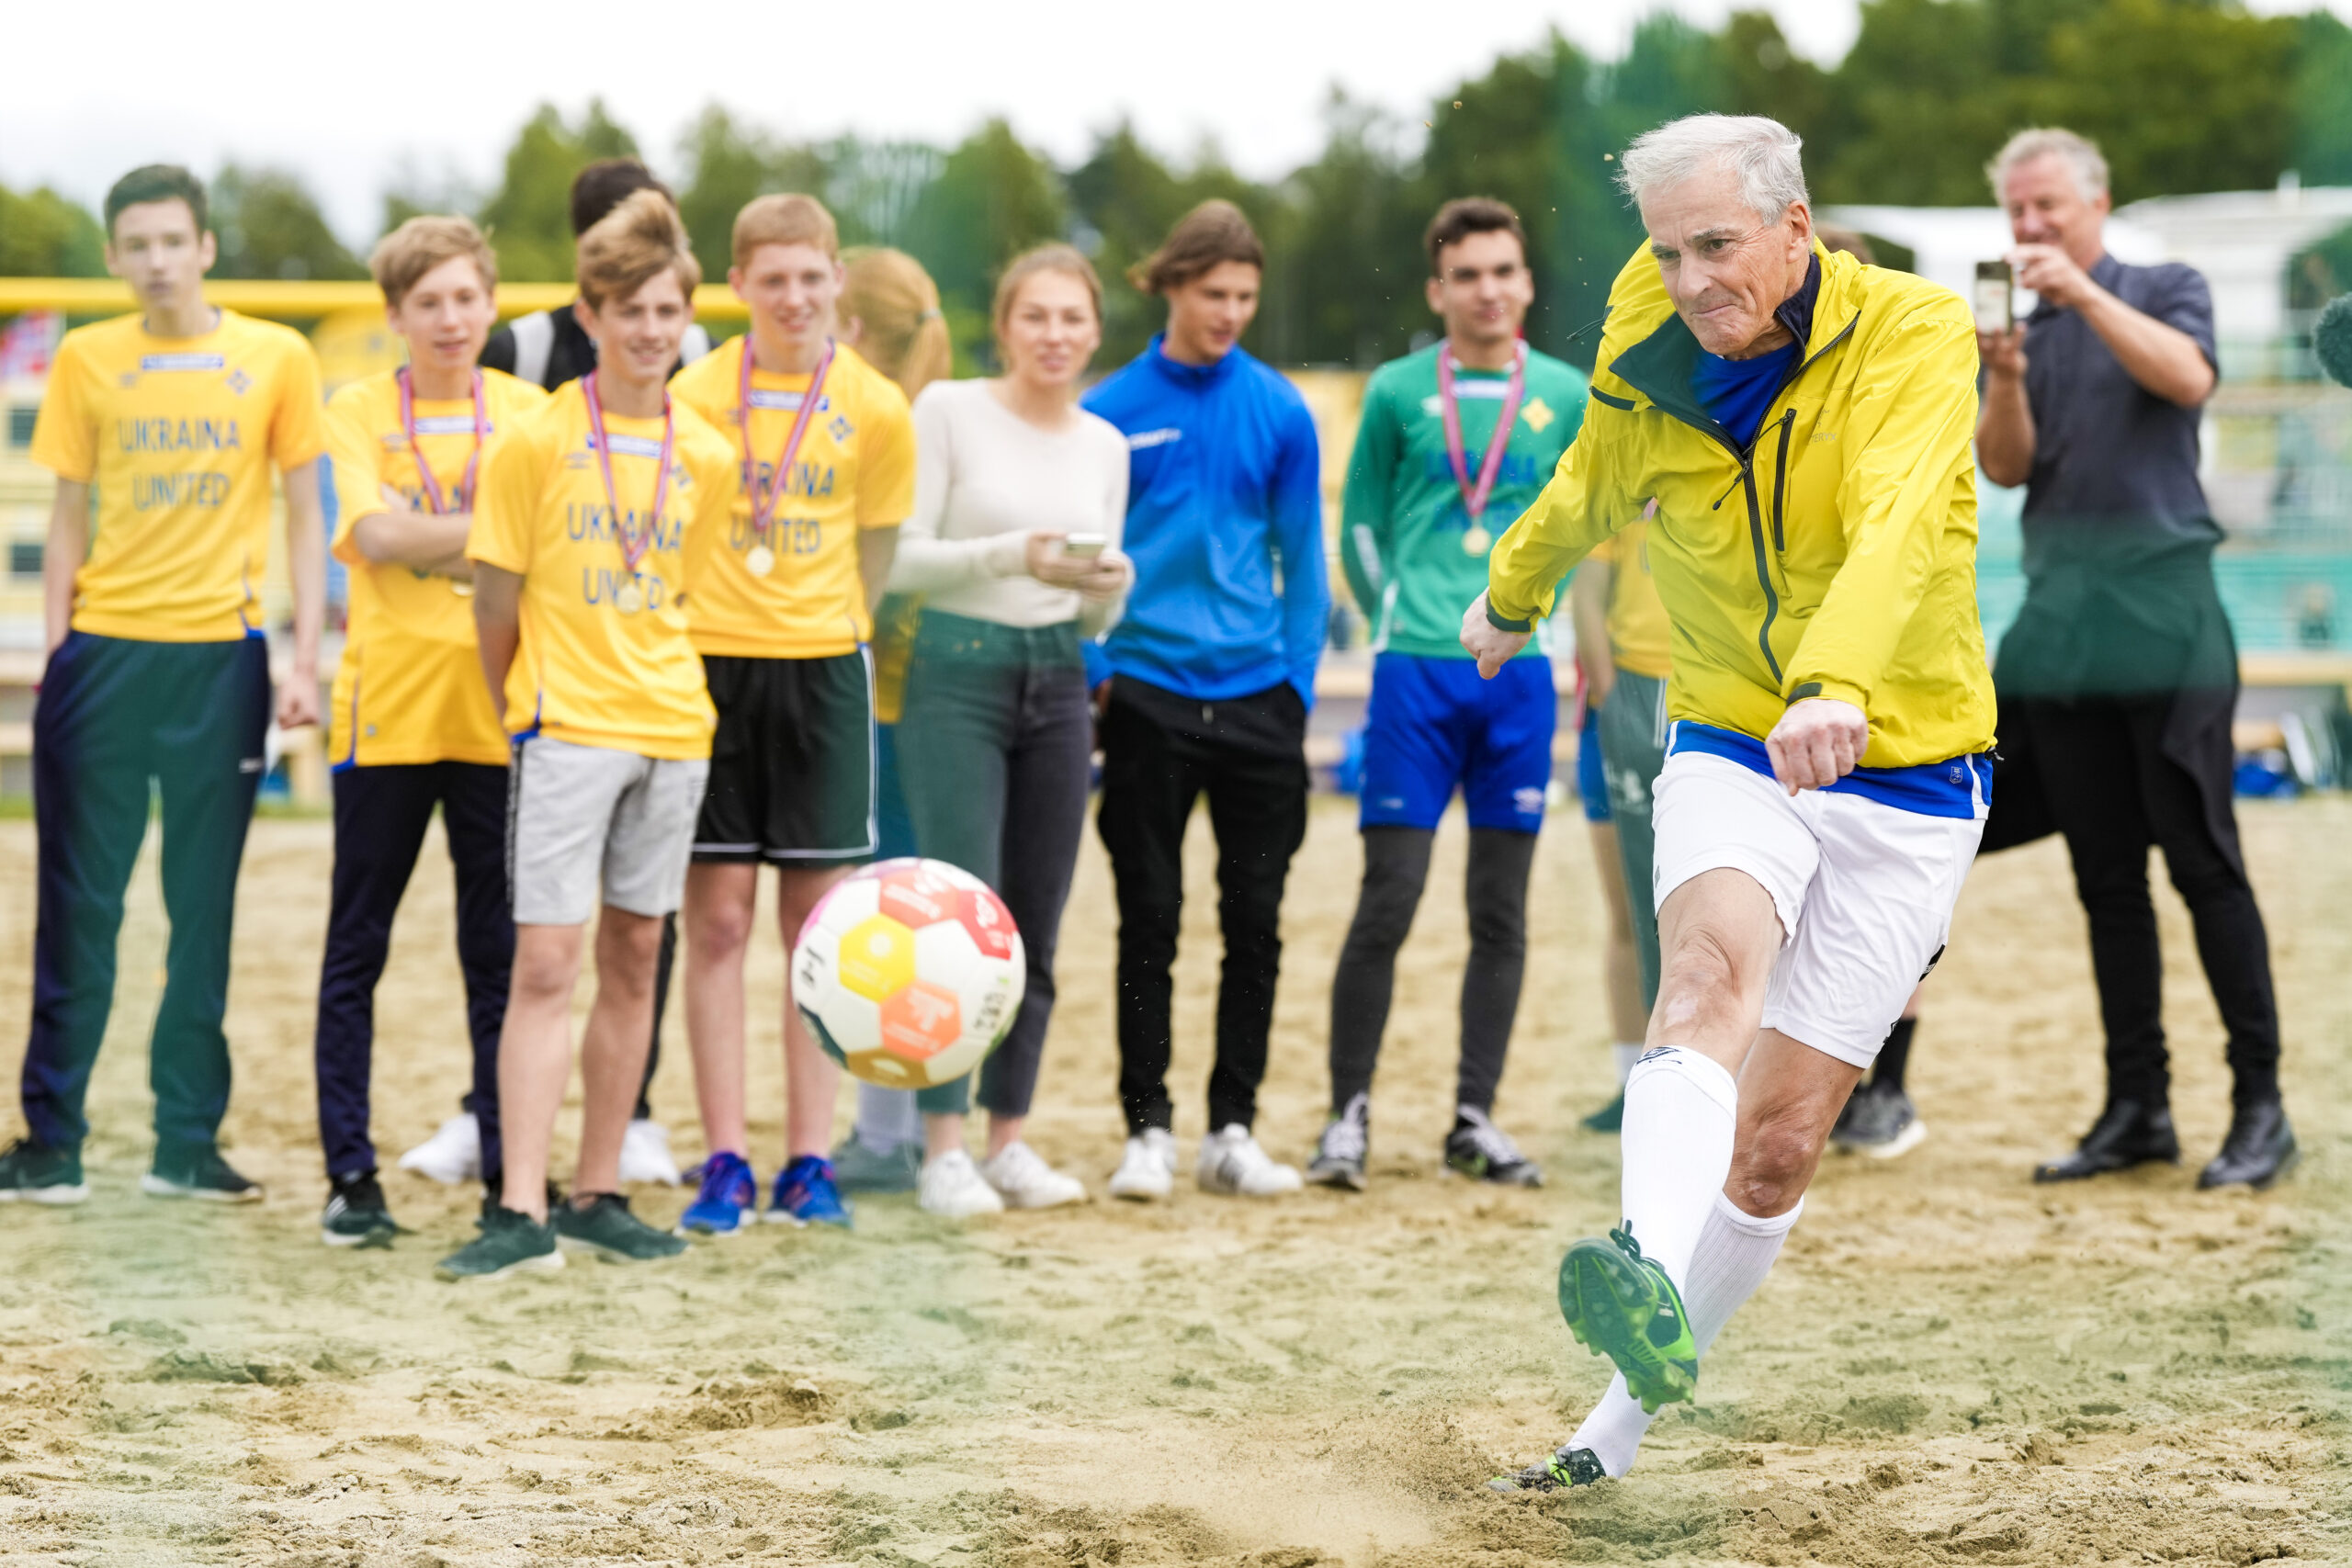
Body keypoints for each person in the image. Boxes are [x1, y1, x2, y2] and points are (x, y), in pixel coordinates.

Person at [1468, 115, 1996, 1489]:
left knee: (1772, 1150)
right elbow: (1595, 470)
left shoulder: (1917, 332)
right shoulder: (1649, 322)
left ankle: (1609, 1430)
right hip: (1734, 729)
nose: (1691, 277)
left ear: (1796, 227)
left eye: (1717, 245)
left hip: (1912, 761)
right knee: (1702, 968)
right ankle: (1638, 1250)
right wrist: (1513, 594)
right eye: (1667, 248)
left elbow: (1897, 522)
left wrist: (1836, 680)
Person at [1973, 128, 2294, 1190]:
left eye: (2046, 209)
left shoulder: (2164, 284)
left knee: (2201, 862)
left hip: (2165, 607)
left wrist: (2086, 295)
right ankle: (2136, 1107)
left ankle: (2260, 1109)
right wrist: (2006, 375)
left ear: (2096, 203)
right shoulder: (2022, 327)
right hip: (2063, 620)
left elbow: (2190, 380)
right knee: (2104, 879)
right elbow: (2005, 468)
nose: (2028, 229)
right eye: (2015, 213)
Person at [1, 164, 325, 1206]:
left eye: (170, 241)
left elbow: (306, 515)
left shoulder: (275, 356)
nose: (154, 261)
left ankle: (183, 1142)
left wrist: (301, 654)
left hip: (217, 661)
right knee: (78, 906)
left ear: (205, 248)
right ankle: (51, 1144)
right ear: (112, 256)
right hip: (105, 653)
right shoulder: (90, 359)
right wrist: (60, 655)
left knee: (200, 910)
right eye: (134, 244)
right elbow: (65, 515)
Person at [435, 190, 735, 1280]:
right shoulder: (535, 439)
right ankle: (519, 1210)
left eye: (667, 310)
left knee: (638, 955)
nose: (651, 329)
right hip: (566, 727)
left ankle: (598, 1188)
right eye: (628, 309)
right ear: (591, 315)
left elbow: (684, 593)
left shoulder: (706, 453)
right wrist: (522, 703)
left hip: (673, 728)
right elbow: (493, 598)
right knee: (547, 964)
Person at [1308, 198, 1588, 1191]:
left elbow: (1580, 524)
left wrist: (1547, 626)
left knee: (1499, 912)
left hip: (1519, 677)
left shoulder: (1565, 392)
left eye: (1503, 271)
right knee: (1388, 897)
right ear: (1438, 291)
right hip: (1415, 672)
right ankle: (1346, 1119)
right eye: (1466, 274)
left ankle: (1474, 1118)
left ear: (1525, 282)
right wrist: (1407, 614)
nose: (1488, 290)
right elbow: (1362, 530)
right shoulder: (1392, 392)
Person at [665, 195, 915, 1236]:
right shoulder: (694, 394)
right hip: (712, 666)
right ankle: (725, 1156)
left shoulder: (875, 406)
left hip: (822, 670)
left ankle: (809, 1161)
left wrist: (829, 624)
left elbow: (876, 551)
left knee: (816, 936)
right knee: (716, 925)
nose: (795, 297)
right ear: (738, 287)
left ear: (835, 283)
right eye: (773, 279)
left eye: (812, 277)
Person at [1082, 200, 1329, 1201]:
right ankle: (1147, 1129)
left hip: (1258, 698)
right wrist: (1101, 679)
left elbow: (1301, 563)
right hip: (1143, 692)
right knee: (1147, 919)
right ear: (1171, 287)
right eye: (1213, 294)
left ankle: (1232, 1129)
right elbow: (1086, 557)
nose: (1230, 312)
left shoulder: (1279, 410)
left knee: (1255, 924)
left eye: (1245, 296)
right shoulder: (1106, 409)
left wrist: (1298, 684)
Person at [882, 244, 1133, 1216]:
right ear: (1004, 323)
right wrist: (1009, 553)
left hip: (1059, 681)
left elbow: (1090, 617)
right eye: (1036, 316)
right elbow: (900, 561)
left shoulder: (1104, 444)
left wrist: (1111, 592)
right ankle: (938, 1145)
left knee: (1036, 919)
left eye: (1072, 318)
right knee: (956, 920)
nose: (1055, 335)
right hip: (954, 674)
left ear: (1093, 330)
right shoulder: (945, 410)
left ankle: (1007, 1138)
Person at [311, 217, 546, 1245]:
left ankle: (507, 1174)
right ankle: (351, 1180)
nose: (450, 319)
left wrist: (432, 539)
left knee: (496, 957)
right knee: (357, 948)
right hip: (388, 714)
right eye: (427, 302)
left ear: (490, 305)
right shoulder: (358, 410)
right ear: (396, 315)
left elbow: (534, 549)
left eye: (465, 298)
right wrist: (488, 538)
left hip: (500, 716)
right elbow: (371, 536)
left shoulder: (532, 412)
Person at [820, 247, 961, 1197]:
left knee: (877, 919)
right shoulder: (945, 415)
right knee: (934, 915)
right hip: (945, 701)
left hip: (873, 702)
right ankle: (911, 1129)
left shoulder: (866, 426)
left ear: (853, 329)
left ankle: (884, 1131)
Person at [1566, 514, 1669, 1135]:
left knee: (1702, 914)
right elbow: (1586, 596)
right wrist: (1611, 699)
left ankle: (1710, 1081)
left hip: (1703, 702)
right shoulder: (1621, 480)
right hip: (1624, 703)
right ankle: (1632, 1082)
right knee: (1629, 912)